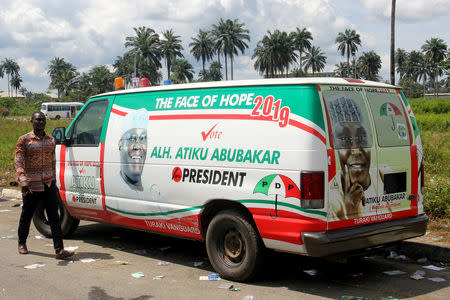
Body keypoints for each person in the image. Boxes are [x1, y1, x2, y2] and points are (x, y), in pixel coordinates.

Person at [15, 111, 74, 259]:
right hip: (31, 186)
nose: (40, 122)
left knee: (54, 218)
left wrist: (53, 180)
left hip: (48, 185)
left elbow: (53, 161)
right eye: (37, 120)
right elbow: (18, 161)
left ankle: (59, 250)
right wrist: (23, 180)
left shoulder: (50, 140)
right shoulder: (24, 140)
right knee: (26, 216)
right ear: (31, 121)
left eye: (42, 120)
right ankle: (22, 243)